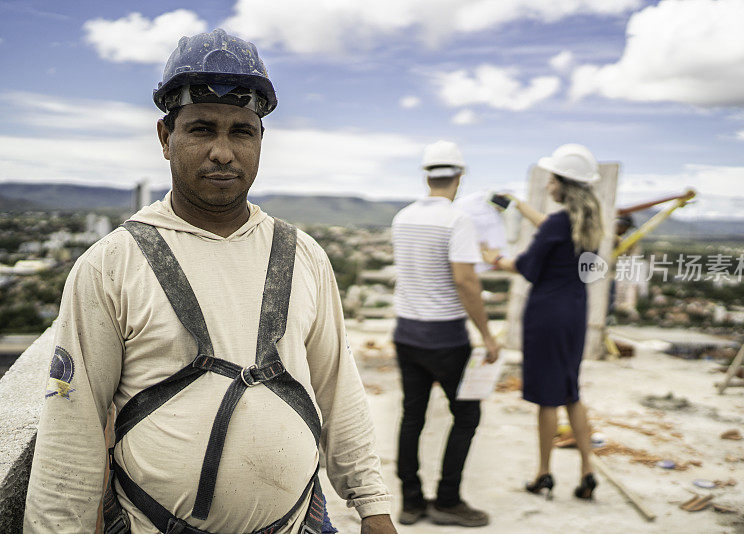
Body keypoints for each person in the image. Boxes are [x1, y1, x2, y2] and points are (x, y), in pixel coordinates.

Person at [24, 29, 396, 534]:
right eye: (201, 129)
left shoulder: (303, 255)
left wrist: (372, 507)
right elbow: (72, 430)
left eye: (241, 131)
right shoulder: (113, 263)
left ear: (260, 140)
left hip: (300, 523)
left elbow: (338, 392)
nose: (223, 152)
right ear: (165, 138)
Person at [482, 144, 604, 501]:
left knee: (547, 400)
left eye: (552, 178)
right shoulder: (588, 222)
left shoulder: (557, 223)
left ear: (562, 183)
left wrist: (495, 258)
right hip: (575, 314)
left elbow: (526, 266)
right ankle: (587, 471)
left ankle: (544, 473)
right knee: (572, 393)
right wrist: (521, 205)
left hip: (547, 315)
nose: (548, 183)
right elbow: (551, 229)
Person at [391, 140, 500, 528]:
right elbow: (466, 283)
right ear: (459, 176)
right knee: (467, 415)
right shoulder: (457, 219)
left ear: (427, 175)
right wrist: (487, 336)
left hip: (406, 333)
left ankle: (411, 502)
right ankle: (448, 501)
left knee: (412, 418)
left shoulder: (402, 217)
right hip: (446, 338)